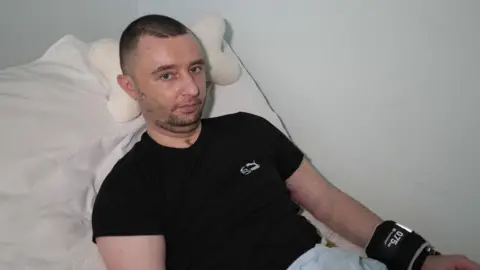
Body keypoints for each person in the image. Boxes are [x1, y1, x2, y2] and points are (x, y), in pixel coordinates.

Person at [91, 14, 479, 270]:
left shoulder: (248, 130)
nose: (192, 88)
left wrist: (420, 258)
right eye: (166, 76)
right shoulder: (127, 189)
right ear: (130, 86)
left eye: (195, 68)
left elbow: (328, 203)